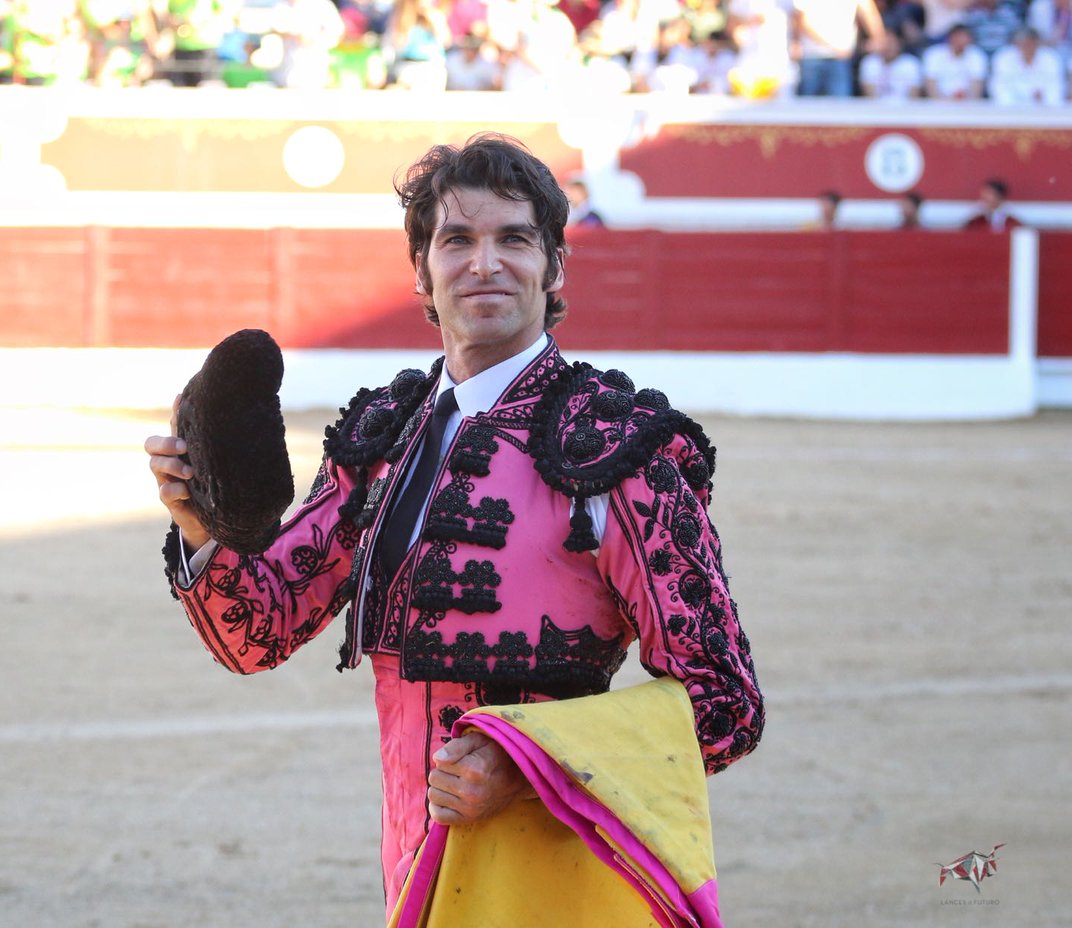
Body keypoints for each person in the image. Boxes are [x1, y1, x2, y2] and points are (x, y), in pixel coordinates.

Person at [145, 134, 763, 921]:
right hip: (409, 859)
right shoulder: (383, 436)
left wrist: (532, 765)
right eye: (457, 240)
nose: (485, 263)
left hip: (554, 866)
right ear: (422, 273)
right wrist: (198, 524)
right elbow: (258, 632)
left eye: (514, 238)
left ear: (555, 268)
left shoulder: (618, 450)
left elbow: (725, 703)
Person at [791, 0, 886, 97]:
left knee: (840, 106)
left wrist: (880, 39)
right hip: (812, 56)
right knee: (807, 106)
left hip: (841, 58)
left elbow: (868, 13)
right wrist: (833, 48)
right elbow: (802, 22)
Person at [989, 25, 1067, 103]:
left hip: (1045, 109)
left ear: (1037, 43)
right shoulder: (1003, 57)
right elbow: (999, 86)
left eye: (1030, 43)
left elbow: (1057, 85)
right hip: (1011, 109)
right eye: (1023, 44)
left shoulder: (1051, 58)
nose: (1027, 47)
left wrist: (1045, 98)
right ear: (1016, 44)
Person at [922, 21, 988, 98]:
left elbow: (977, 86)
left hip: (967, 104)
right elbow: (930, 83)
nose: (963, 40)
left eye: (966, 37)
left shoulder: (977, 55)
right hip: (939, 103)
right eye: (959, 36)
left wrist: (968, 101)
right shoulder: (934, 54)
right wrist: (942, 102)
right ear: (950, 37)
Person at [858, 26, 922, 98]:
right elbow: (870, 96)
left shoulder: (911, 64)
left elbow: (913, 97)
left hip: (904, 108)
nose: (887, 47)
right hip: (876, 108)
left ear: (900, 43)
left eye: (891, 43)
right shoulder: (869, 62)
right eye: (884, 42)